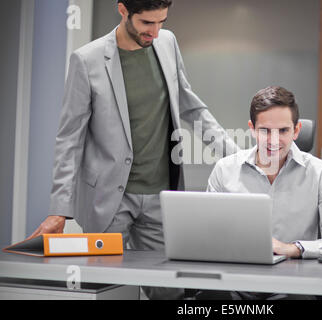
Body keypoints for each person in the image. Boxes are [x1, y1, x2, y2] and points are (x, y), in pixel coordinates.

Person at [28, 0, 238, 299]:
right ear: (123, 10)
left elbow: (191, 106)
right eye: (146, 23)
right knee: (108, 291)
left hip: (162, 197)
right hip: (109, 202)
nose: (155, 31)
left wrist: (238, 158)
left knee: (170, 292)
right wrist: (60, 209)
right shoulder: (87, 60)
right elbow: (69, 138)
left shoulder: (167, 43)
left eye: (161, 21)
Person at [201, 86, 322, 300]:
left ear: (297, 130)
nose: (274, 140)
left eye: (283, 130)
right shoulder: (225, 169)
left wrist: (292, 249)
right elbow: (206, 237)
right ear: (252, 129)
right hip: (236, 283)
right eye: (265, 130)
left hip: (294, 287)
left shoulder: (321, 173)